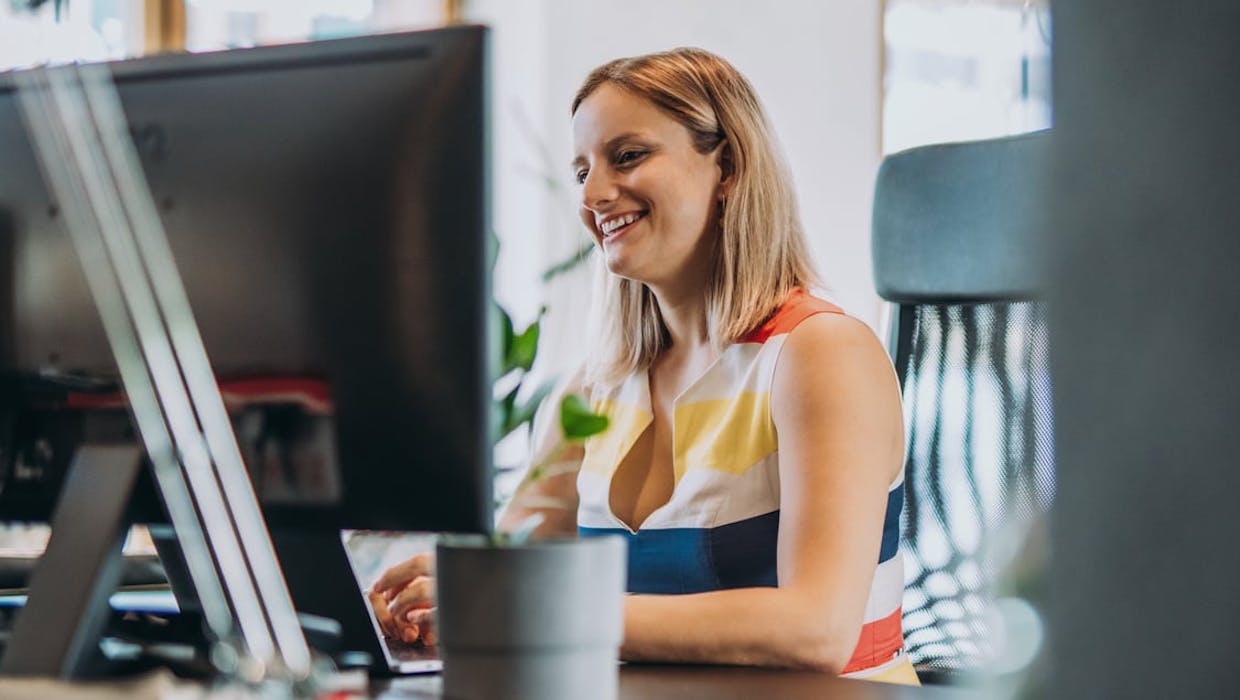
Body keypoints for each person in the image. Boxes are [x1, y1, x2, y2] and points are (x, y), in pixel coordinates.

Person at [369, 47, 916, 685]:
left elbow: (816, 629)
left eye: (628, 156)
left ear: (729, 166)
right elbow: (509, 572)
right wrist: (429, 592)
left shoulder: (819, 354)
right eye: (581, 172)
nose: (595, 194)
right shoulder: (595, 392)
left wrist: (533, 609)